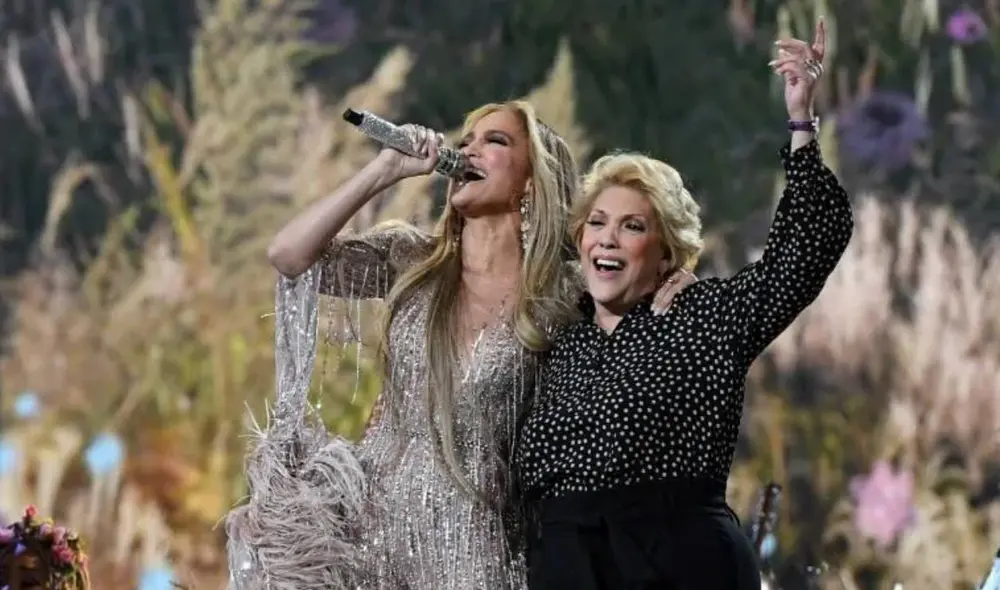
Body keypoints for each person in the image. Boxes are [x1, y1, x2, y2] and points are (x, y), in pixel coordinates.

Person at [228, 100, 696, 590]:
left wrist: (677, 283)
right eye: (467, 140)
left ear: (531, 182)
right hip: (371, 540)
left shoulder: (566, 295)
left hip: (481, 552)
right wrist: (386, 169)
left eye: (495, 141)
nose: (468, 149)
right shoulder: (412, 261)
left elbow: (645, 304)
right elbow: (288, 254)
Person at [516, 20, 852, 589]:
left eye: (631, 227)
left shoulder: (703, 315)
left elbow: (805, 251)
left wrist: (800, 118)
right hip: (566, 569)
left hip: (677, 566)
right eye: (596, 223)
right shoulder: (560, 335)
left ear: (667, 252)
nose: (607, 238)